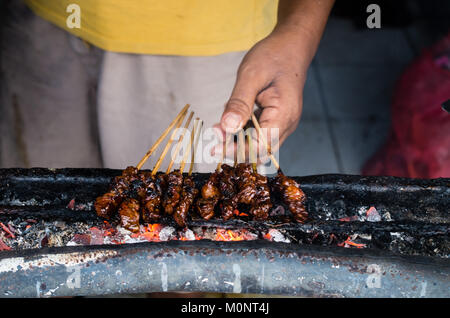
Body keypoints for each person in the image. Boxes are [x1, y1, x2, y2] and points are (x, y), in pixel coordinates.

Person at [1, 0, 334, 171]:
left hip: (208, 36)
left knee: (184, 252)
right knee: (43, 222)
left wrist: (299, 36)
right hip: (38, 19)